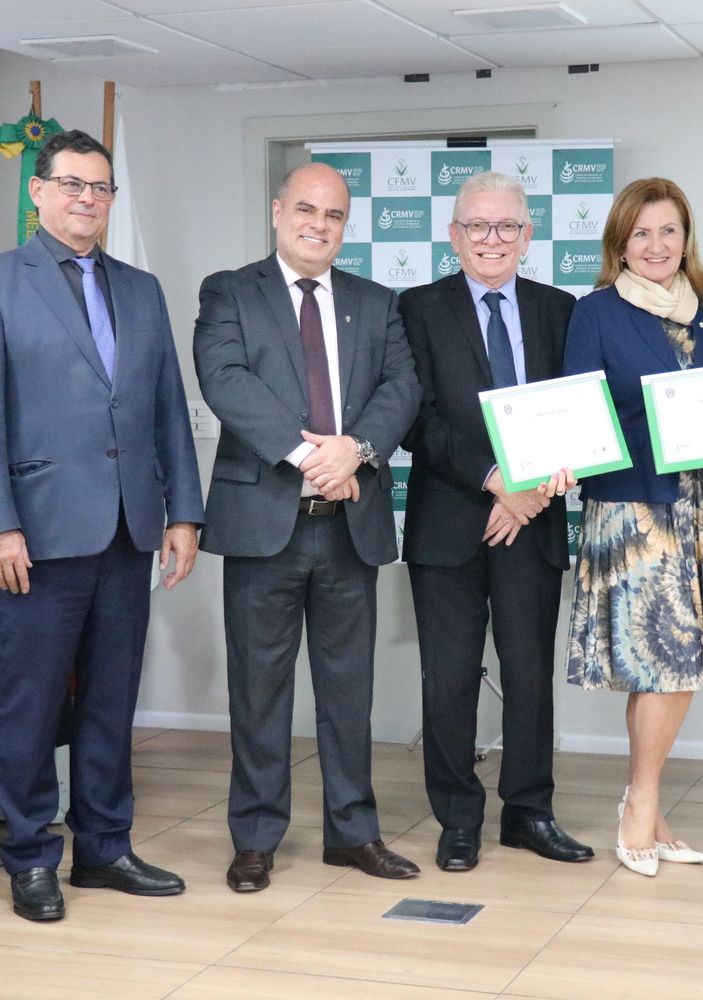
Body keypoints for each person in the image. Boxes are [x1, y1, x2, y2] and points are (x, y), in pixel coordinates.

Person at [0, 130, 204, 922]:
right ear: (39, 191)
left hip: (128, 528)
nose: (86, 198)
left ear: (112, 198)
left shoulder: (142, 288)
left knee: (110, 701)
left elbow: (166, 411)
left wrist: (184, 512)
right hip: (35, 535)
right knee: (28, 706)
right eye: (71, 184)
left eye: (100, 186)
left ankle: (105, 846)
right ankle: (29, 856)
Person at [194, 162, 422, 893]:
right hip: (266, 522)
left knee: (348, 689)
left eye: (334, 214)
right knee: (259, 690)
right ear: (277, 211)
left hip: (348, 525)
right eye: (306, 210)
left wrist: (355, 451)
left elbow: (402, 388)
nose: (319, 224)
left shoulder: (377, 302)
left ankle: (353, 834)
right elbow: (225, 378)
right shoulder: (230, 290)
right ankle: (256, 836)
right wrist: (310, 457)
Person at [562, 177, 703, 877]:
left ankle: (647, 811)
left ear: (687, 237)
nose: (656, 246)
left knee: (666, 670)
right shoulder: (594, 313)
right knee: (665, 666)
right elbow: (580, 416)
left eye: (669, 231)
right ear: (619, 244)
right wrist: (564, 458)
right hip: (634, 514)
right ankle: (641, 808)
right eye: (641, 233)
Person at [399, 172, 590, 872]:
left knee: (530, 674)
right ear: (454, 235)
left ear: (526, 236)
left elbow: (578, 411)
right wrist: (494, 482)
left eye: (505, 226)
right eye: (477, 226)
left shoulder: (559, 309)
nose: (491, 239)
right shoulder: (415, 308)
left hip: (533, 523)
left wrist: (528, 497)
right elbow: (416, 417)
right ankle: (457, 817)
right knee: (447, 679)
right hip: (448, 526)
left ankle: (528, 812)